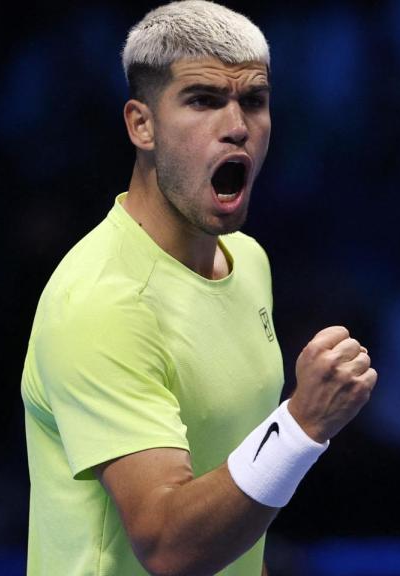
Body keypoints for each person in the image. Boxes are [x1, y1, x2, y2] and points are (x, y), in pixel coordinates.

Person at [20, 2, 377, 574]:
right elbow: (169, 545)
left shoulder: (248, 262)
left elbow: (227, 497)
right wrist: (302, 425)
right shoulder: (103, 303)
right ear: (142, 125)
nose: (236, 126)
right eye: (204, 100)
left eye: (253, 101)